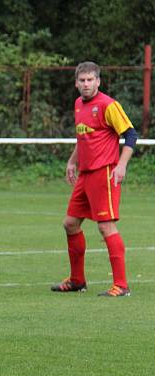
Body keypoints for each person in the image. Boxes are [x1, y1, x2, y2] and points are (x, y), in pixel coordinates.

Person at [51, 61, 137, 297]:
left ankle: (121, 285)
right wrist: (72, 161)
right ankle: (77, 280)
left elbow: (131, 134)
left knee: (105, 226)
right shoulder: (78, 104)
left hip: (104, 173)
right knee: (70, 223)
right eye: (82, 80)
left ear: (98, 81)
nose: (86, 84)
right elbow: (84, 137)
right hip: (85, 175)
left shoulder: (109, 105)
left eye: (90, 80)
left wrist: (121, 165)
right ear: (76, 83)